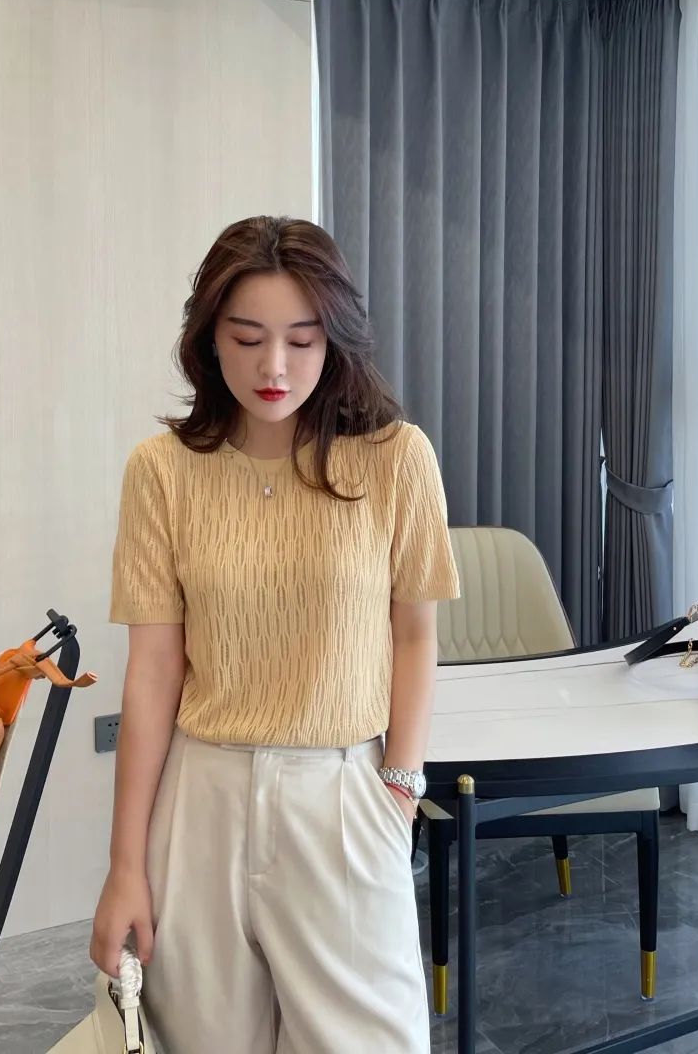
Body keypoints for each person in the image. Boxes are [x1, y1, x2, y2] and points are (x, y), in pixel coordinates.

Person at [91, 215, 459, 1053]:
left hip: (343, 793)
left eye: (301, 339)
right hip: (201, 797)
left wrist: (399, 787)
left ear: (335, 338)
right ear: (208, 339)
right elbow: (153, 672)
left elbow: (414, 636)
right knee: (203, 1040)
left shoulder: (395, 459)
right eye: (248, 338)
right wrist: (125, 866)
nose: (275, 367)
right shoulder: (162, 471)